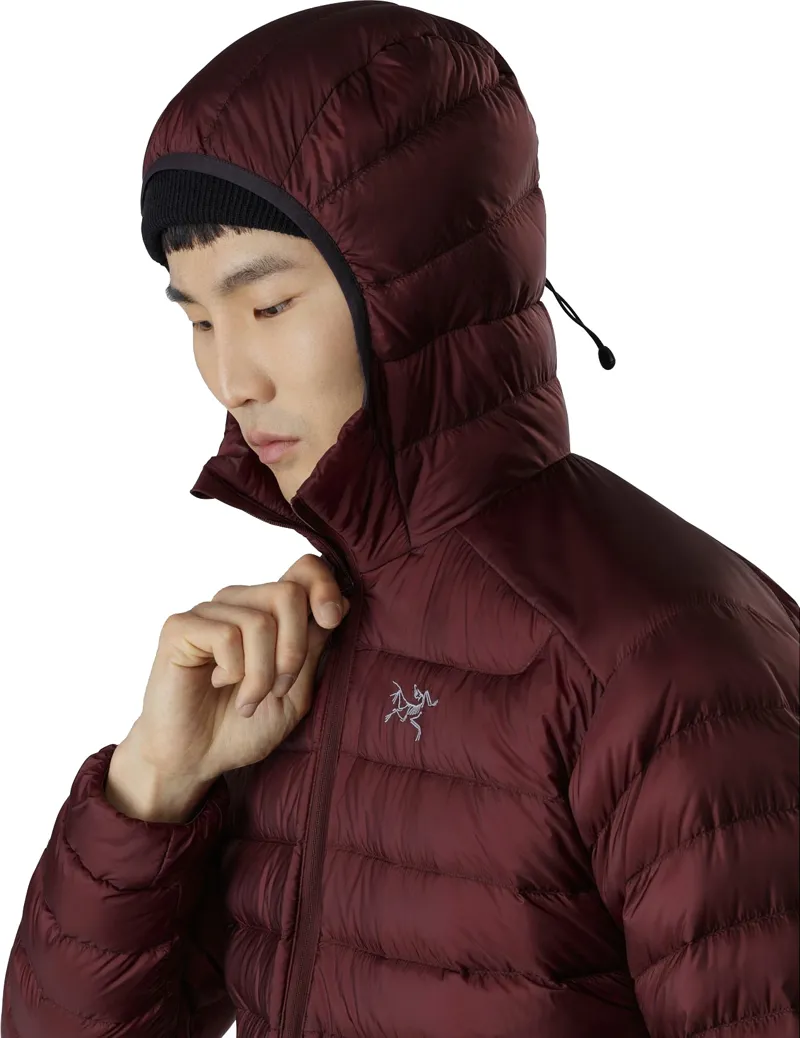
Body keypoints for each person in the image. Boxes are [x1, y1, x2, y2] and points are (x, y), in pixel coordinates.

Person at [3, 1, 798, 1036]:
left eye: (268, 306)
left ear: (415, 290)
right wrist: (151, 787)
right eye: (196, 319)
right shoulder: (289, 655)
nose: (231, 378)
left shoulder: (661, 661)